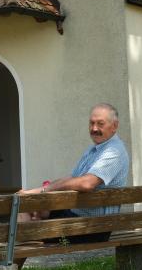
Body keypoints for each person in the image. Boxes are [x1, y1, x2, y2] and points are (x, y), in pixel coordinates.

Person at [16, 103, 130, 244]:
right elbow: (72, 178)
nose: (94, 128)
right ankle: (14, 259)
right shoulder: (94, 150)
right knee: (28, 205)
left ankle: (10, 261)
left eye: (100, 124)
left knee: (26, 223)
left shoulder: (114, 152)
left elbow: (87, 183)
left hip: (92, 227)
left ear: (114, 126)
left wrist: (45, 190)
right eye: (92, 123)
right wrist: (36, 193)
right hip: (77, 217)